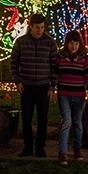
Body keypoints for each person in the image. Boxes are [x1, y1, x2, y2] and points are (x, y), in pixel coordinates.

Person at [10, 13, 58, 158]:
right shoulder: (21, 42)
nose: (40, 30)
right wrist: (17, 81)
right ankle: (28, 146)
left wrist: (52, 87)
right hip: (27, 85)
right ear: (30, 26)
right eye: (37, 27)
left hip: (43, 86)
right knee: (26, 118)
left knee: (43, 118)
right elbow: (14, 63)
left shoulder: (50, 43)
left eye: (42, 27)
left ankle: (40, 147)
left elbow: (55, 66)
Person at [55, 30, 88, 166]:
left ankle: (77, 149)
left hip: (79, 95)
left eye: (76, 44)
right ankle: (63, 152)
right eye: (71, 44)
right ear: (67, 44)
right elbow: (55, 74)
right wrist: (52, 88)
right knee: (67, 121)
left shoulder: (84, 58)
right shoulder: (60, 57)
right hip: (64, 94)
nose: (73, 47)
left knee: (78, 122)